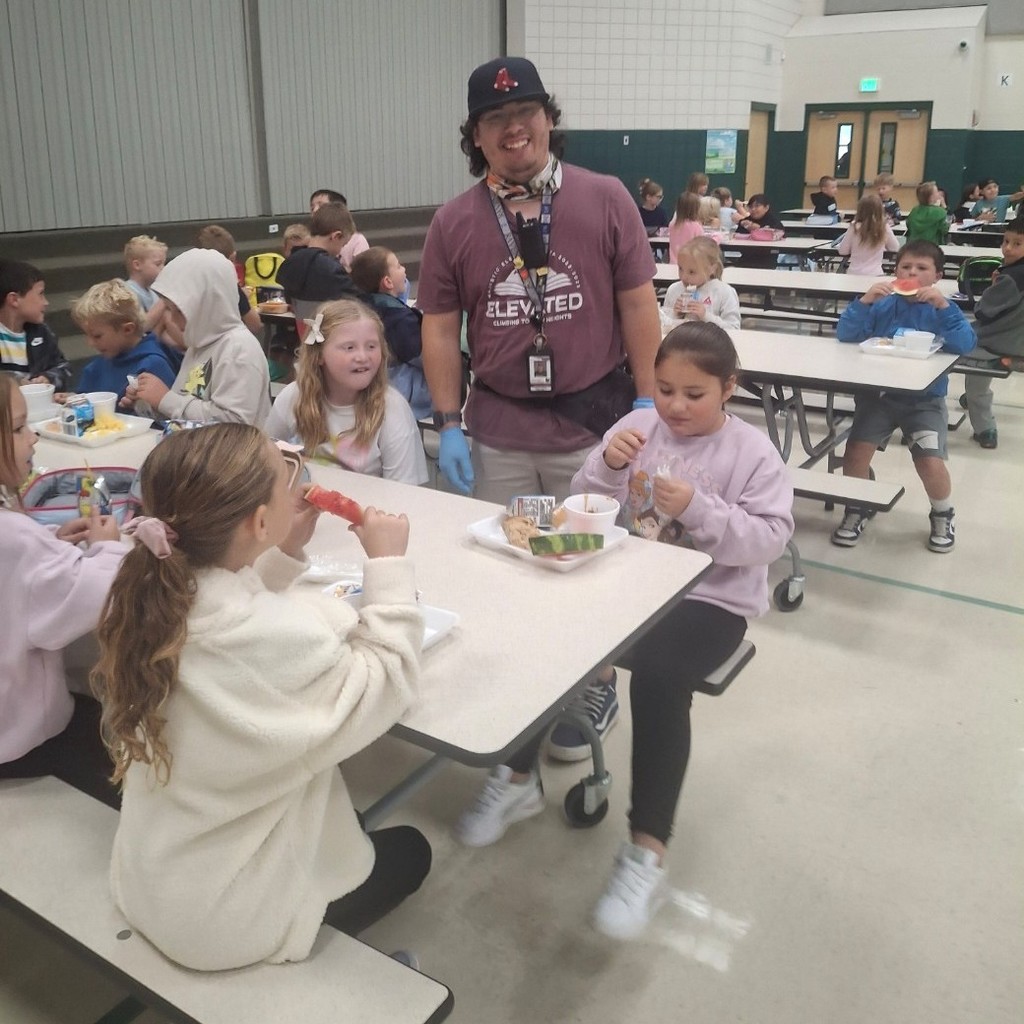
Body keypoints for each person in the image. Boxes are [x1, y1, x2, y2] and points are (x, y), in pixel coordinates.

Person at [455, 325, 793, 931]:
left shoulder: (752, 453)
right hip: (628, 575)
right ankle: (515, 778)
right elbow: (587, 503)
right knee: (546, 632)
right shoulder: (635, 430)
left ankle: (646, 849)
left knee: (661, 679)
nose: (676, 406)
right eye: (664, 389)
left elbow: (770, 539)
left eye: (695, 393)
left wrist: (697, 506)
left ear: (729, 389)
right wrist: (608, 466)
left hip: (711, 596)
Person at [90, 423, 430, 970]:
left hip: (155, 878)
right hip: (224, 918)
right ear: (258, 521)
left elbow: (237, 619)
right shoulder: (272, 638)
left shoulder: (153, 594)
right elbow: (387, 681)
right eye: (286, 476)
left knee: (345, 813)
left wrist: (282, 548)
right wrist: (389, 568)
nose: (298, 481)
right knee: (413, 851)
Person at [418, 56, 660, 760]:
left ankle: (596, 680)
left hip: (591, 433)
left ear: (549, 119)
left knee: (590, 565)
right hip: (500, 437)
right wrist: (446, 421)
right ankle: (524, 675)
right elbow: (438, 325)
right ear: (476, 137)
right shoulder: (453, 222)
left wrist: (646, 401)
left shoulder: (605, 196)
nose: (513, 127)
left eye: (525, 112)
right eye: (494, 119)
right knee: (515, 561)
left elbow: (638, 301)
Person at [0, 372, 128, 810]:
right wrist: (108, 550)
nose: (32, 437)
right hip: (17, 735)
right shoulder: (15, 538)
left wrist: (50, 544)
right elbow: (92, 599)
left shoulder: (20, 540)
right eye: (18, 428)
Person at [832, 241, 976, 552]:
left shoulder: (942, 308)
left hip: (924, 400)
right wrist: (865, 302)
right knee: (855, 454)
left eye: (921, 268)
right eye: (905, 267)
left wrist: (944, 307)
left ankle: (943, 512)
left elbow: (966, 344)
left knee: (930, 463)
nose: (912, 273)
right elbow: (846, 334)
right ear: (895, 271)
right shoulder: (882, 304)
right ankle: (858, 506)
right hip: (878, 397)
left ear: (936, 276)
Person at [264, 298, 428, 484]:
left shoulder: (392, 408)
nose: (362, 357)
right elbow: (266, 458)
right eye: (349, 347)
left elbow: (404, 491)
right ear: (319, 356)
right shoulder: (294, 396)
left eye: (371, 346)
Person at [128, 248, 271, 426]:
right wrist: (148, 402)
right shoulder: (199, 345)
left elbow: (234, 424)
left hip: (236, 453)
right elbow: (184, 412)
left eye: (180, 311)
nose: (172, 319)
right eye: (169, 309)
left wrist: (165, 399)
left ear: (208, 304)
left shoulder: (239, 349)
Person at [960, 217, 1024, 450]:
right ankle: (970, 397)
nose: (1007, 248)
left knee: (950, 350)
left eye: (1017, 244)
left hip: (998, 343)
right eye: (1006, 241)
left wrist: (992, 286)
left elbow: (983, 312)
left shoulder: (1010, 278)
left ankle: (985, 428)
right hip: (1017, 340)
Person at [350, 247, 431, 420]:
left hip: (367, 391)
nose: (404, 269)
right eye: (399, 266)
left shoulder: (357, 310)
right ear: (388, 282)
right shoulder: (400, 320)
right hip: (401, 396)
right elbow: (425, 359)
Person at [71, 280, 178, 403]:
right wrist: (74, 399)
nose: (90, 343)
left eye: (97, 336)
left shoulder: (153, 365)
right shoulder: (96, 367)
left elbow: (165, 414)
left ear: (127, 329)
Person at [277, 202, 363, 324]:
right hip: (331, 335)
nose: (340, 251)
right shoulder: (332, 270)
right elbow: (360, 306)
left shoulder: (292, 263)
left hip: (305, 335)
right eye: (343, 244)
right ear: (336, 236)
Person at [0, 259, 71, 389]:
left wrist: (48, 378)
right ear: (14, 299)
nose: (46, 302)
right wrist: (15, 384)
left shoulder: (42, 333)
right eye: (41, 294)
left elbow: (62, 367)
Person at [195, 224, 264, 335]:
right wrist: (243, 298)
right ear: (233, 257)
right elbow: (255, 324)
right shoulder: (230, 286)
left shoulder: (189, 284)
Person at [661, 237, 740, 330]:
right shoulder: (674, 289)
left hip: (711, 343)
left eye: (692, 272)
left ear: (712, 269)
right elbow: (663, 324)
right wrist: (675, 314)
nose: (683, 277)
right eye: (680, 269)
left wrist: (705, 316)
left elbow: (734, 328)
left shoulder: (725, 292)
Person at [836, 194, 900, 276]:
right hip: (875, 274)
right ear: (880, 210)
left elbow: (843, 251)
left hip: (854, 274)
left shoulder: (854, 226)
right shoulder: (884, 227)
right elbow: (895, 248)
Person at [310, 188, 370, 272]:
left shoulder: (357, 240)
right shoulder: (310, 239)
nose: (315, 210)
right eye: (312, 208)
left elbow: (364, 271)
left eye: (321, 206)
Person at [122, 235, 168, 313]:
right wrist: (165, 301)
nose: (163, 268)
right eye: (158, 264)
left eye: (163, 264)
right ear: (137, 265)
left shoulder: (153, 293)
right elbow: (142, 324)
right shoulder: (128, 293)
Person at [905, 181, 949, 245]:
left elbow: (908, 225)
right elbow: (944, 230)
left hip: (914, 246)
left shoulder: (914, 210)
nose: (938, 194)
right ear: (931, 197)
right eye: (936, 192)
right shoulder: (940, 212)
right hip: (932, 246)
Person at [667, 191, 704, 264]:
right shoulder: (696, 226)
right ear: (696, 209)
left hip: (673, 263)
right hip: (691, 265)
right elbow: (703, 244)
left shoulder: (672, 225)